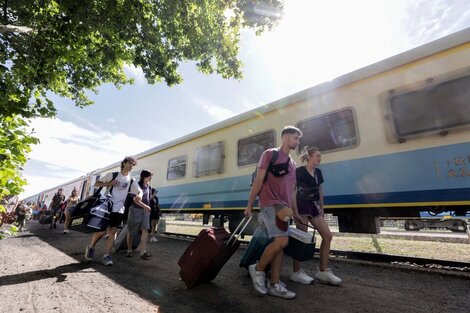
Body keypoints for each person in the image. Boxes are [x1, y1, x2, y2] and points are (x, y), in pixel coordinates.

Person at [244, 126, 302, 300]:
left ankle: (275, 283)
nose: (297, 142)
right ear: (285, 138)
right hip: (269, 202)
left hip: (284, 207)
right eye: (295, 138)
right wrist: (249, 204)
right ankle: (258, 268)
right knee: (282, 240)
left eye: (298, 139)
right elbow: (259, 180)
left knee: (281, 244)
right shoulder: (270, 154)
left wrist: (296, 212)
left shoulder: (293, 164)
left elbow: (292, 191)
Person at [291, 146, 342, 285]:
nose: (320, 158)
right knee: (301, 239)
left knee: (327, 236)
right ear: (309, 157)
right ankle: (296, 272)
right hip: (301, 207)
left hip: (313, 207)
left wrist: (322, 208)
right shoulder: (299, 172)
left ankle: (322, 271)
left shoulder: (318, 172)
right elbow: (292, 191)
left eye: (320, 156)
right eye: (318, 156)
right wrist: (294, 212)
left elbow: (320, 191)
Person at [84, 156, 142, 266]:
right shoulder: (113, 175)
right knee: (101, 231)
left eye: (133, 165)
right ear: (124, 163)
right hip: (107, 206)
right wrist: (109, 184)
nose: (131, 166)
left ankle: (106, 255)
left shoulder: (131, 180)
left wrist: (140, 195)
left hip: (119, 209)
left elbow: (139, 191)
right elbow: (96, 184)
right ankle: (91, 247)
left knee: (112, 232)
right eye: (130, 163)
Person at [126, 170, 153, 259]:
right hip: (135, 210)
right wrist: (145, 206)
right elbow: (135, 200)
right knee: (131, 231)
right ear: (144, 177)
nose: (151, 178)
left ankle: (143, 251)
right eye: (149, 176)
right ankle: (129, 250)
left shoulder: (148, 186)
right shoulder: (136, 185)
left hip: (145, 211)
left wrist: (146, 207)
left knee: (145, 230)